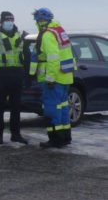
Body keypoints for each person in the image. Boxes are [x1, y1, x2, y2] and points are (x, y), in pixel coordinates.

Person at [29, 8, 75, 148]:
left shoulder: (48, 35)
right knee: (63, 107)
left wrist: (50, 78)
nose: (39, 23)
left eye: (39, 20)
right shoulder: (60, 31)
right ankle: (65, 137)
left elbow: (53, 58)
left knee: (52, 109)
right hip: (65, 76)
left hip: (54, 79)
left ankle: (55, 139)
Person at [0, 12, 28, 145]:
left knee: (16, 107)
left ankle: (15, 134)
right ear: (1, 22)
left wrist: (27, 75)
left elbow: (26, 55)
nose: (10, 22)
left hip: (16, 74)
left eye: (12, 19)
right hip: (0, 74)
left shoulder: (20, 35)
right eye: (7, 20)